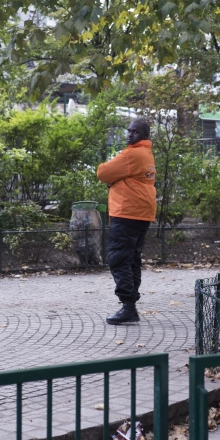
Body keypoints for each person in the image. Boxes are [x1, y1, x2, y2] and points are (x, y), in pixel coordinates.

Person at [97, 119, 156, 324]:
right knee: (132, 260)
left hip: (127, 213)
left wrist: (114, 179)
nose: (130, 135)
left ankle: (128, 307)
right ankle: (130, 305)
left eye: (135, 132)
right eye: (129, 131)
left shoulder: (132, 154)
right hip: (142, 213)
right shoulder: (147, 154)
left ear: (145, 135)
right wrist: (119, 180)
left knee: (119, 258)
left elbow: (102, 173)